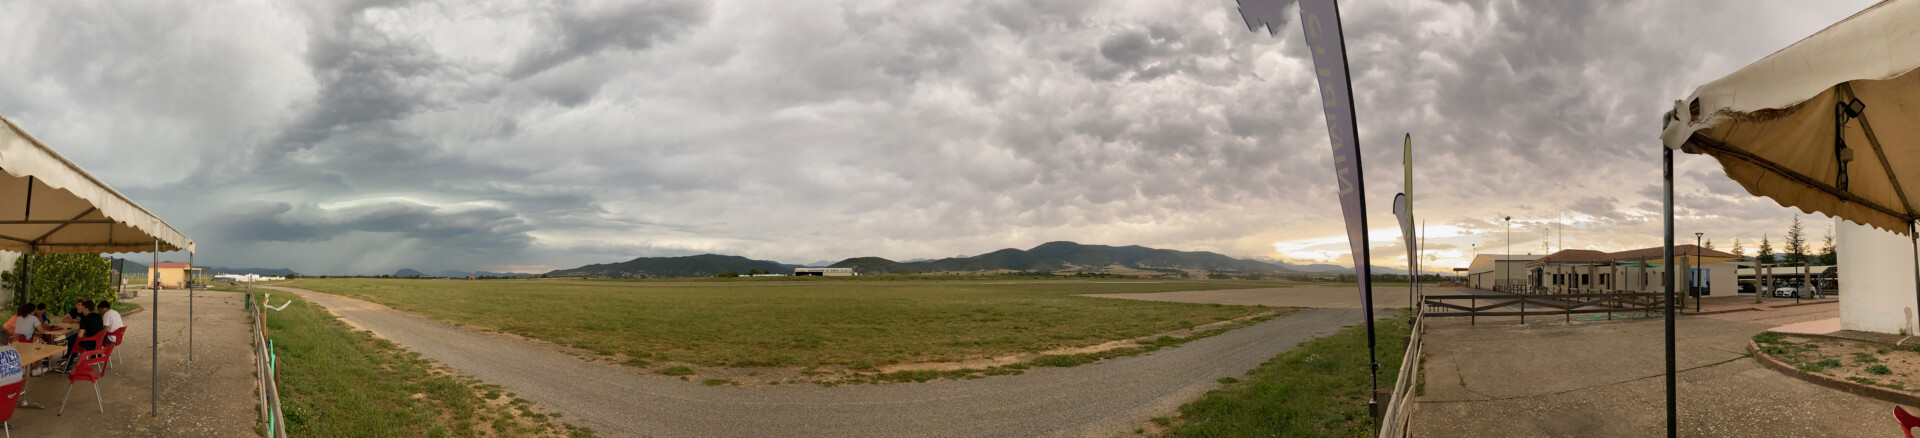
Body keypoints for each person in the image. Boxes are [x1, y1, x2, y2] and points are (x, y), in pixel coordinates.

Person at [62, 300, 104, 373]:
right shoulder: (99, 316)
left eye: (83, 308)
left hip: (90, 345)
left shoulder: (85, 319)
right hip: (98, 344)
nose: (82, 311)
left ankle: (68, 365)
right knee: (73, 338)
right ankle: (70, 356)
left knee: (73, 341)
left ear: (86, 309)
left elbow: (80, 335)